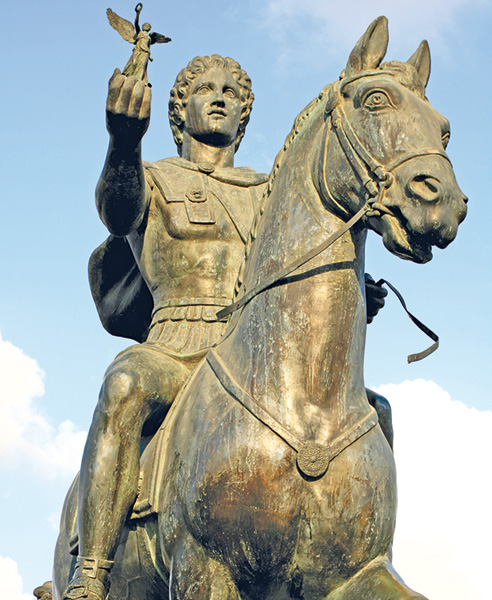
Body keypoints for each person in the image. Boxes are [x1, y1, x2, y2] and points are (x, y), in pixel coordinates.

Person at [62, 54, 389, 600]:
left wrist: (352, 291)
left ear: (244, 114)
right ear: (179, 110)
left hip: (256, 356)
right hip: (176, 346)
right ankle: (92, 569)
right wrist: (123, 140)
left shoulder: (270, 190)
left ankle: (362, 550)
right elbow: (117, 212)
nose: (219, 97)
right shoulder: (154, 178)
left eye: (231, 92)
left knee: (376, 412)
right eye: (205, 89)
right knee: (124, 384)